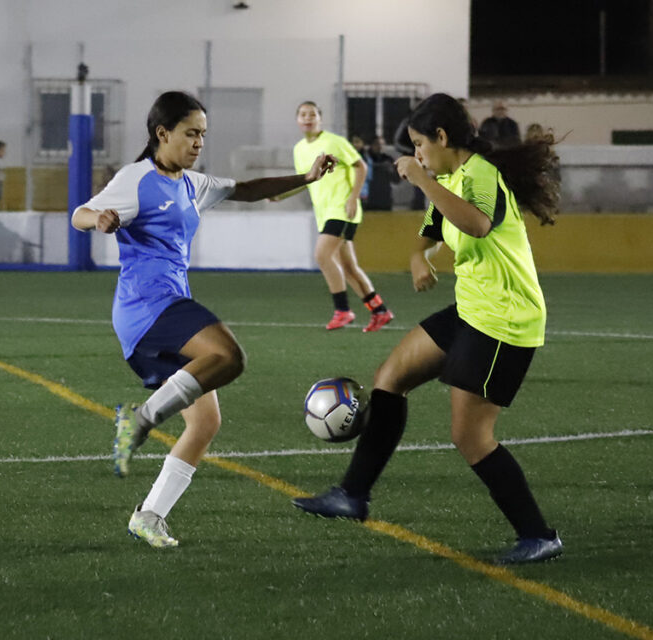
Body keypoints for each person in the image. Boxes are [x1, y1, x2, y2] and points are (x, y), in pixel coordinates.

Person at [293, 93, 564, 565]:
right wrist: (420, 254)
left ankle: (538, 536)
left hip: (505, 319)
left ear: (441, 138)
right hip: (470, 308)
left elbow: (477, 224)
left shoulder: (479, 173)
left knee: (470, 436)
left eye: (420, 144)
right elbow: (435, 227)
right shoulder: (450, 176)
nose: (416, 154)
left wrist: (420, 178)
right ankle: (352, 495)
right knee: (390, 378)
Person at [71, 91, 336, 548]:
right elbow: (78, 214)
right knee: (228, 355)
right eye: (191, 133)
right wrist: (99, 219)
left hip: (167, 306)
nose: (198, 143)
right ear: (162, 133)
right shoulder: (136, 179)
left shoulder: (191, 184)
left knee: (205, 422)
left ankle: (149, 516)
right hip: (147, 307)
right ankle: (141, 419)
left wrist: (307, 177)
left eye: (203, 135)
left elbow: (247, 190)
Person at [287, 102, 394, 332]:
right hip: (324, 213)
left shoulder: (334, 142)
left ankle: (343, 310)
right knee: (348, 266)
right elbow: (305, 179)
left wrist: (353, 198)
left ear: (320, 119)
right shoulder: (298, 149)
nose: (308, 118)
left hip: (342, 209)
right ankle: (380, 311)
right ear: (297, 120)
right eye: (303, 114)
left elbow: (361, 166)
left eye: (312, 114)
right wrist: (279, 195)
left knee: (322, 255)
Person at [364, 136, 399, 211]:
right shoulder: (365, 159)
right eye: (377, 144)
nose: (380, 147)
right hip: (369, 199)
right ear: (371, 145)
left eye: (382, 144)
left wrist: (389, 169)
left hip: (385, 199)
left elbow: (396, 179)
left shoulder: (388, 160)